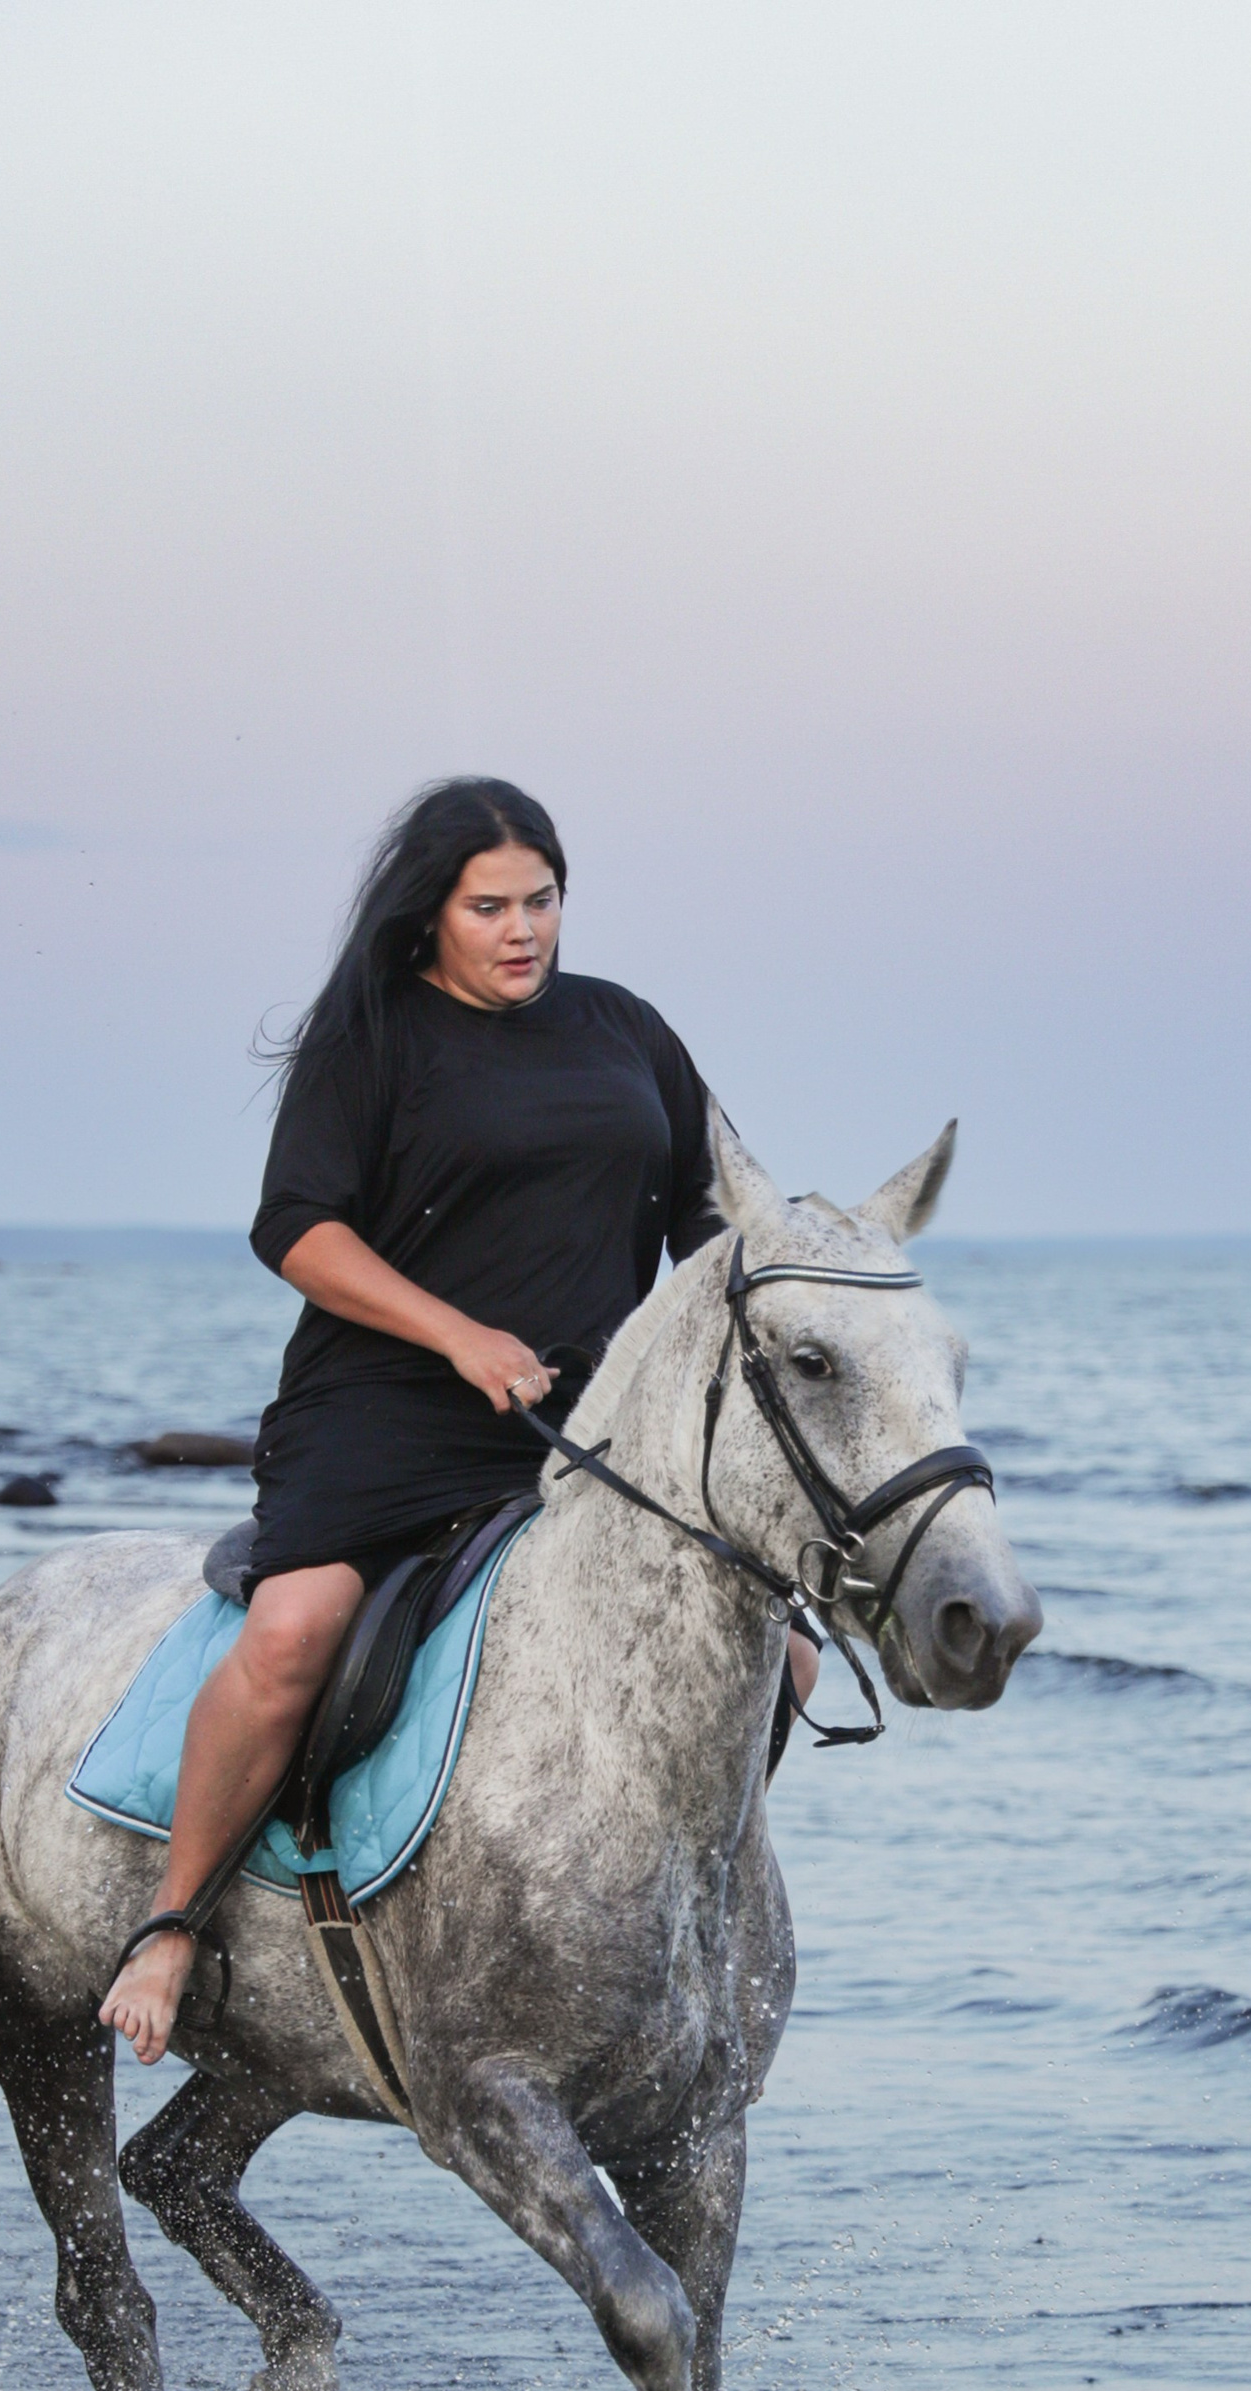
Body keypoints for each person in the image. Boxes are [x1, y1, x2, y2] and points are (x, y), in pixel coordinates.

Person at [99, 776, 812, 2066]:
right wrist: (456, 1336)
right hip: (385, 1410)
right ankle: (173, 1921)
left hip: (582, 1433)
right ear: (430, 913)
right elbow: (296, 1231)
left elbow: (719, 1231)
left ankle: (666, 1914)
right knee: (295, 1630)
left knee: (787, 1657)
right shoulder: (370, 1040)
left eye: (542, 901)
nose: (523, 930)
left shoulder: (626, 1032)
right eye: (490, 906)